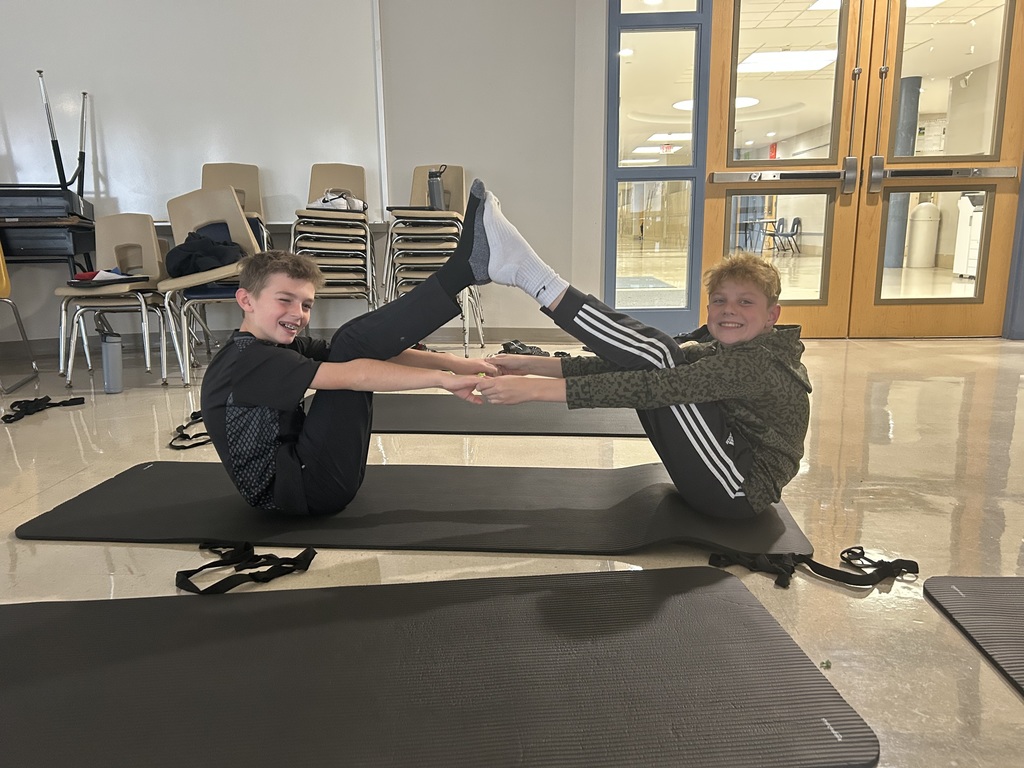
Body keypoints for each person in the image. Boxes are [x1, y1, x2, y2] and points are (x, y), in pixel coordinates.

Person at [470, 180, 811, 519]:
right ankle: (528, 274)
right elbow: (632, 370)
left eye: (745, 302)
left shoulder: (758, 363)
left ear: (772, 316)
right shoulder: (740, 351)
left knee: (659, 357)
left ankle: (531, 275)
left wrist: (531, 390)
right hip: (726, 472)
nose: (729, 310)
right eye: (719, 300)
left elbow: (649, 388)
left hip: (736, 489)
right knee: (661, 356)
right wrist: (536, 365)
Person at [200, 189, 498, 515]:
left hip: (306, 477)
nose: (298, 314)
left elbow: (372, 353)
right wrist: (441, 379)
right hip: (302, 492)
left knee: (350, 343)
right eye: (284, 300)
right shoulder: (250, 360)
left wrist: (457, 364)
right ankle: (463, 269)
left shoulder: (263, 347)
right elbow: (357, 373)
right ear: (246, 301)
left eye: (306, 305)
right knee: (351, 343)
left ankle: (465, 268)